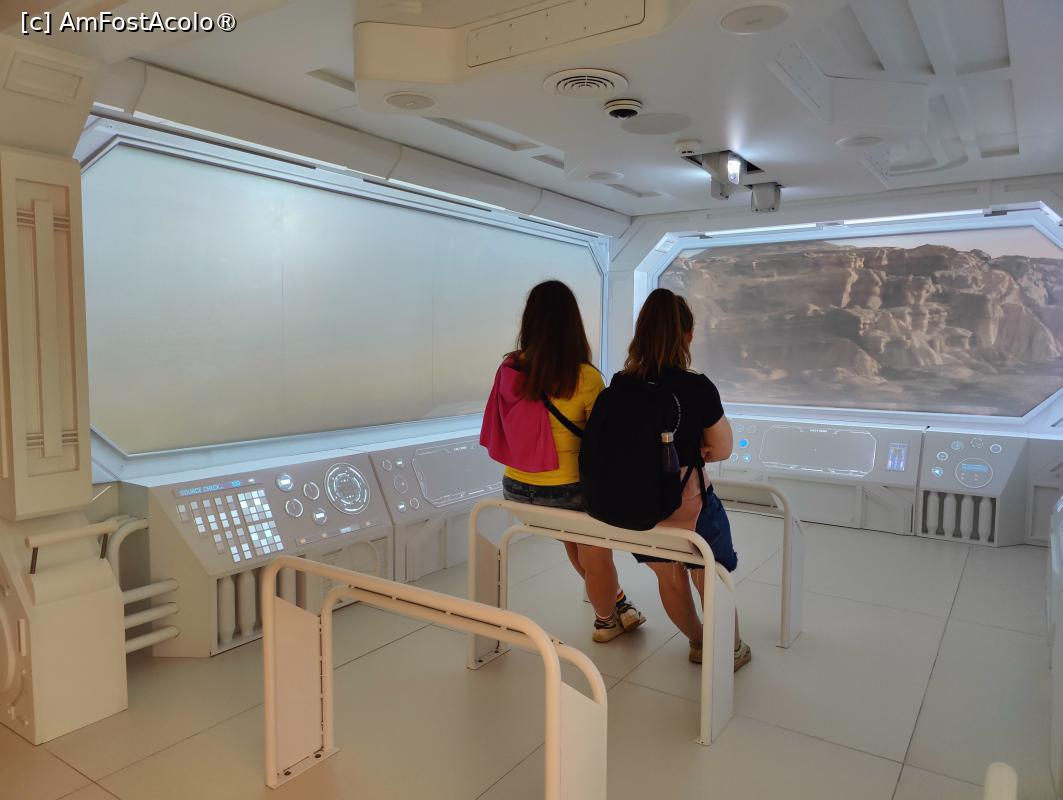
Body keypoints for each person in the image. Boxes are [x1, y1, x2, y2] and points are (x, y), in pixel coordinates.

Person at [483, 280, 646, 642]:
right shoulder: (585, 377)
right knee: (594, 551)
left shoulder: (509, 370)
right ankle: (606, 622)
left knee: (574, 541)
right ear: (573, 323)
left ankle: (619, 602)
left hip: (517, 491)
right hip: (567, 491)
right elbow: (604, 440)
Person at [622, 288, 750, 671]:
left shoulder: (622, 384)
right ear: (688, 336)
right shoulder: (697, 387)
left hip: (639, 502)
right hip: (688, 501)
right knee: (710, 574)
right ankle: (730, 650)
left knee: (669, 576)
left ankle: (697, 642)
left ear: (640, 334)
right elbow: (722, 447)